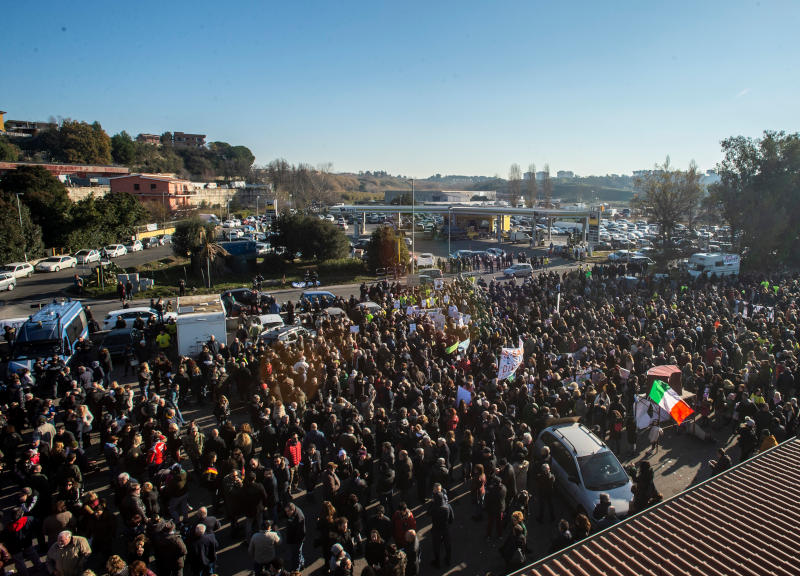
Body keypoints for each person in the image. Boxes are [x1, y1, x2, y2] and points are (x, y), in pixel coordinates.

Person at [3, 507, 44, 576]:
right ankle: (38, 565)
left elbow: (2, 538)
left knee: (19, 561)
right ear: (21, 515)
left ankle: (24, 574)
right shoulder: (29, 520)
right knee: (32, 553)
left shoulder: (8, 528)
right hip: (27, 542)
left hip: (14, 548)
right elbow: (38, 524)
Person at [427, 489, 454, 568]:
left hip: (436, 529)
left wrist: (431, 502)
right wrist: (448, 524)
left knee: (436, 546)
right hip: (445, 528)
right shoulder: (448, 506)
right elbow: (452, 517)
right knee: (447, 544)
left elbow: (428, 511)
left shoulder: (434, 508)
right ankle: (448, 560)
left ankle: (437, 562)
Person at [284, 502, 306, 571]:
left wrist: (295, 541)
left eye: (288, 511)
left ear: (293, 510)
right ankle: (302, 564)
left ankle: (296, 569)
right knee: (298, 553)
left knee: (296, 554)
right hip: (294, 538)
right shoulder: (293, 514)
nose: (287, 513)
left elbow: (301, 532)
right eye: (286, 511)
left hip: (296, 540)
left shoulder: (299, 517)